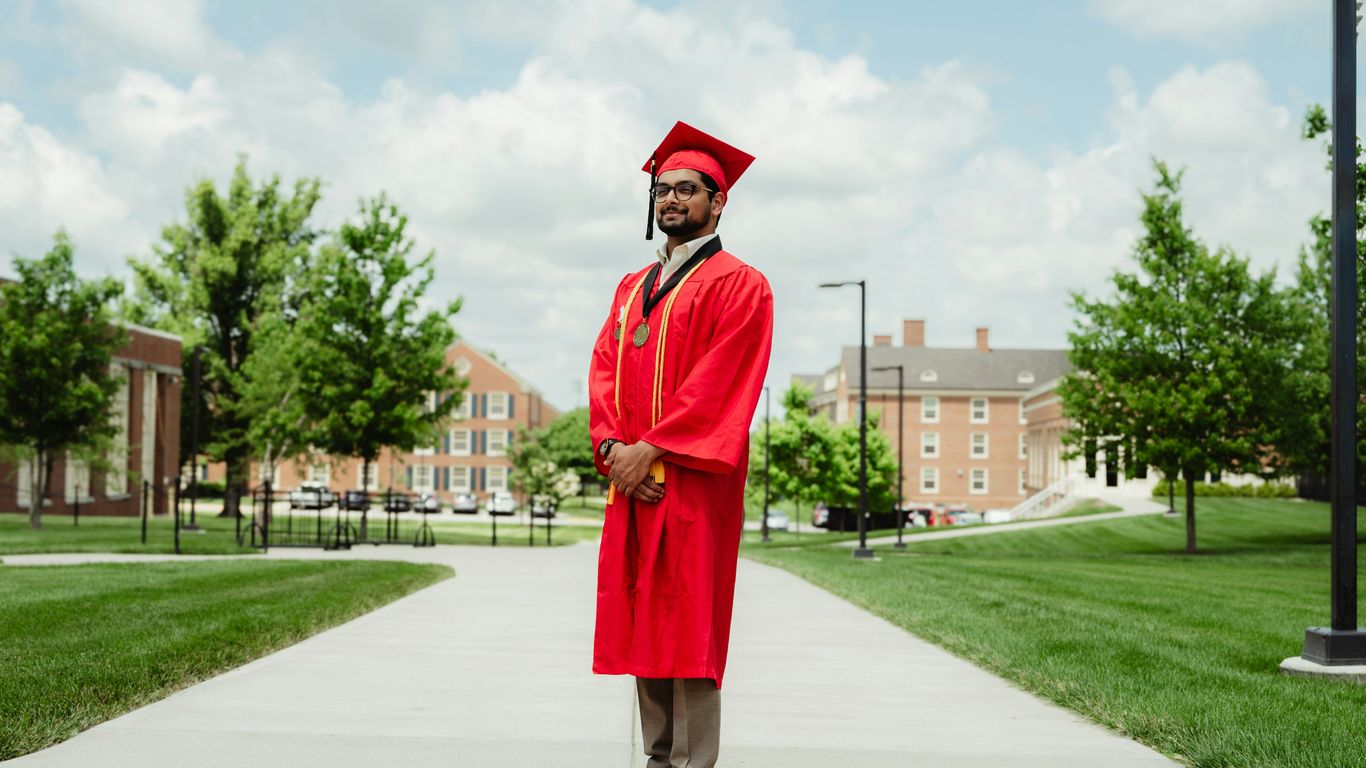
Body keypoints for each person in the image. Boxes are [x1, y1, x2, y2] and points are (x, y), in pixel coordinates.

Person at [587, 121, 773, 767]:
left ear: (717, 202)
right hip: (634, 482)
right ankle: (657, 759)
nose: (671, 200)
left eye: (686, 190)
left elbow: (721, 385)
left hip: (690, 483)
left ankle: (694, 763)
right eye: (662, 190)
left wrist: (652, 451)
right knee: (645, 621)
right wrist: (615, 450)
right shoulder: (631, 287)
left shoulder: (741, 284)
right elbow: (604, 370)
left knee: (688, 624)